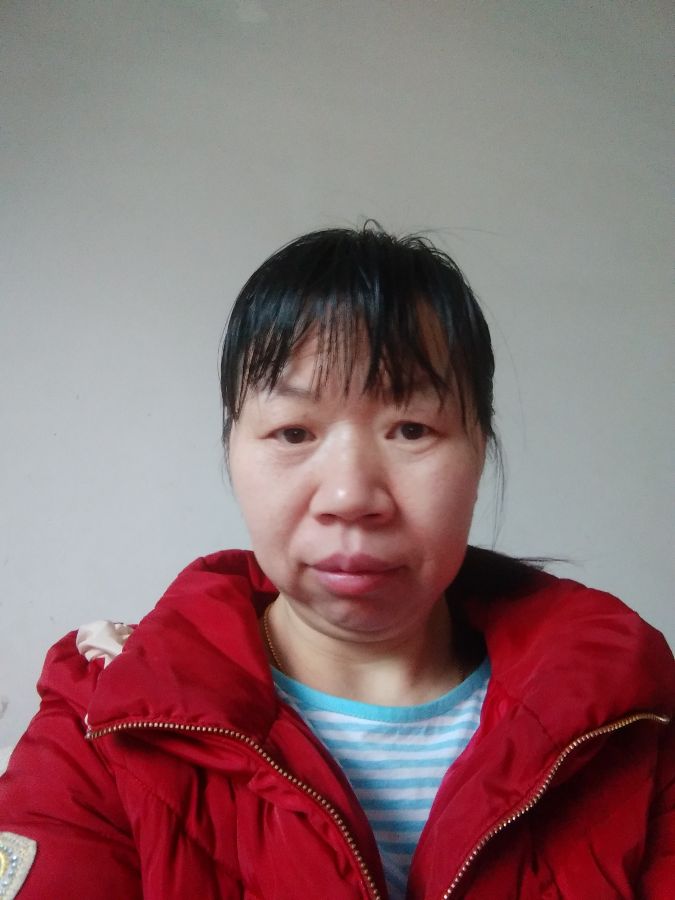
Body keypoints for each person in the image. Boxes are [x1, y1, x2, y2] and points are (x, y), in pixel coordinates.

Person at [0, 226, 672, 899]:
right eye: (293, 432)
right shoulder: (108, 717)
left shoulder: (629, 721)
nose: (350, 497)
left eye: (411, 429)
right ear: (232, 449)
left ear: (480, 449)